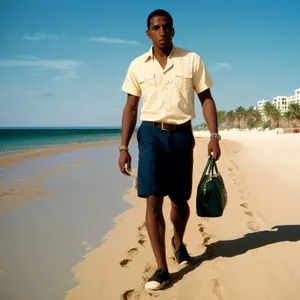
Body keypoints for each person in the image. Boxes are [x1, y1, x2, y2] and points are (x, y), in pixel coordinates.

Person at [118, 9, 221, 291]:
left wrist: (214, 135)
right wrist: (123, 146)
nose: (162, 31)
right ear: (148, 32)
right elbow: (130, 107)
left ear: (173, 30)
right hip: (150, 134)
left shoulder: (191, 60)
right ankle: (162, 267)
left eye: (166, 26)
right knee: (153, 199)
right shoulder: (138, 65)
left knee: (180, 201)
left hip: (181, 135)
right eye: (156, 27)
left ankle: (178, 240)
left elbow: (206, 98)